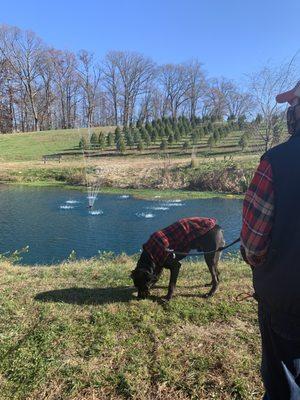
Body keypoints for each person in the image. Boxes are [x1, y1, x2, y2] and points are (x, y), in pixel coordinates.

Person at [241, 81, 300, 399]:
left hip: (287, 302)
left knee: (283, 385)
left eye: (293, 105)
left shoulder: (275, 162)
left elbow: (252, 245)